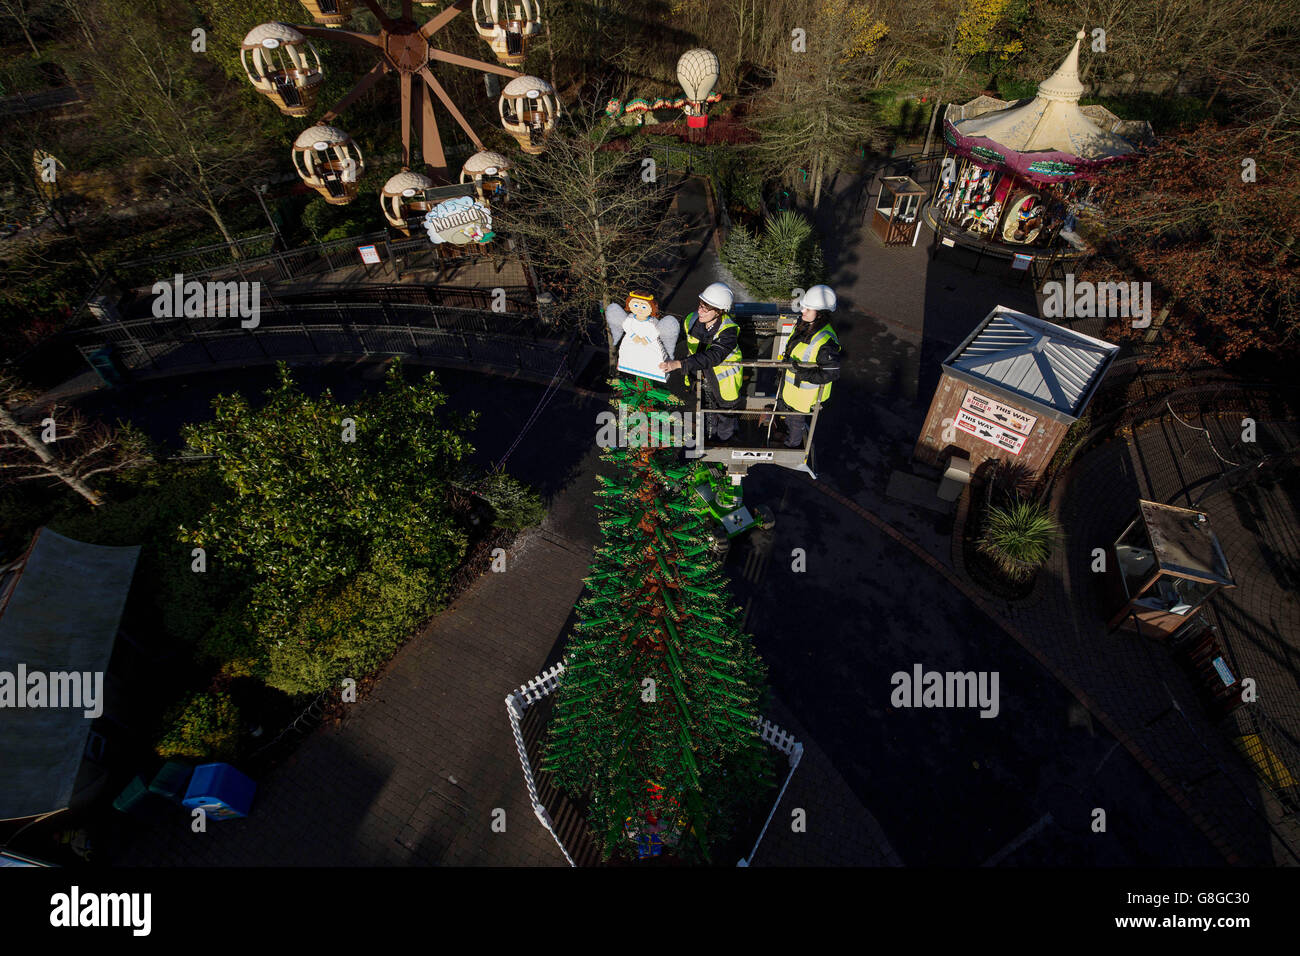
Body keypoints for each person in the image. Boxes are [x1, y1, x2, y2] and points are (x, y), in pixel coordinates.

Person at [659, 282, 742, 442]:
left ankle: (723, 446)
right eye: (700, 305)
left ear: (720, 311)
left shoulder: (728, 331)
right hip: (700, 381)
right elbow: (674, 337)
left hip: (723, 385)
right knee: (705, 414)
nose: (699, 310)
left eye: (706, 308)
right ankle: (708, 441)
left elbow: (714, 356)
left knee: (725, 420)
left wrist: (679, 364)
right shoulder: (691, 320)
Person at [774, 284, 842, 449]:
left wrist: (800, 371)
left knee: (795, 422)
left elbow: (830, 374)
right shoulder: (805, 325)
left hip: (803, 397)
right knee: (787, 416)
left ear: (820, 314)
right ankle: (785, 435)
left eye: (808, 308)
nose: (802, 310)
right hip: (790, 389)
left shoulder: (826, 340)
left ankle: (792, 444)